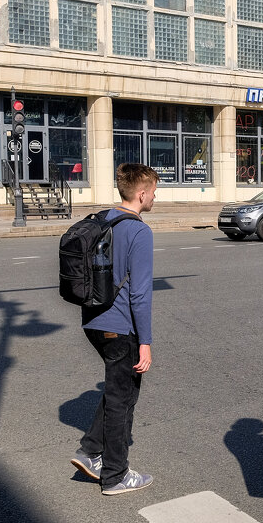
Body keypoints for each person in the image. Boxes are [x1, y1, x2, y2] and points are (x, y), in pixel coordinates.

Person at [70, 164, 159, 495]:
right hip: (119, 326)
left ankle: (91, 451)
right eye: (153, 191)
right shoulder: (139, 231)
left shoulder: (103, 219)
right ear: (141, 193)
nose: (154, 196)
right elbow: (140, 294)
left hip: (92, 320)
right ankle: (115, 475)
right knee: (124, 397)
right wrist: (146, 342)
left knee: (117, 389)